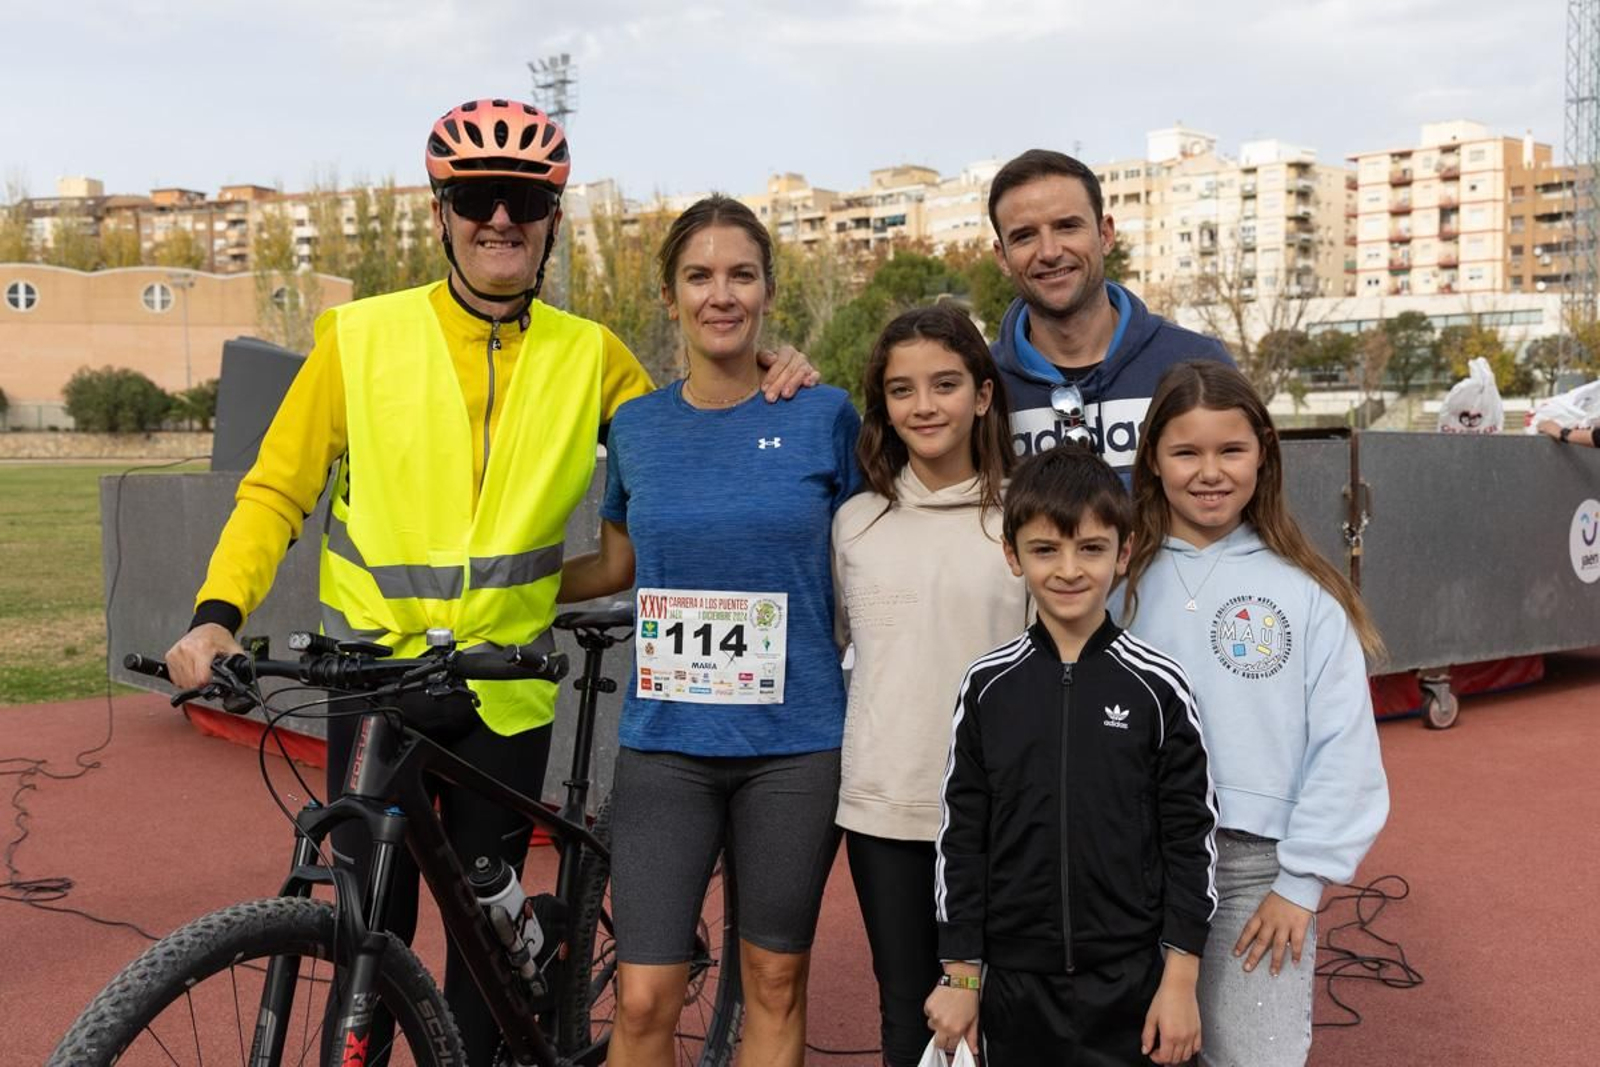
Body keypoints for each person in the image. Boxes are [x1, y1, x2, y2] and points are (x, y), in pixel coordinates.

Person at [163, 100, 813, 1065]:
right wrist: (216, 615)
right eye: (476, 198)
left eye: (523, 199)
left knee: (484, 951)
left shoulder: (592, 355)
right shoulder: (356, 337)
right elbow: (276, 491)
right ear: (442, 213)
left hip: (502, 693)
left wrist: (769, 369)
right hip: (373, 682)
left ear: (551, 219)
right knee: (367, 930)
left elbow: (689, 432)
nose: (500, 217)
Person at [557, 194, 860, 1067]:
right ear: (669, 295)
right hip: (667, 747)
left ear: (768, 291)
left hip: (795, 747)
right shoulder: (637, 427)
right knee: (643, 997)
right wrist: (501, 585)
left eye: (741, 275)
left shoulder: (824, 415)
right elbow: (615, 564)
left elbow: (879, 549)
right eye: (699, 276)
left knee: (774, 980)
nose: (720, 294)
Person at [1121, 360, 1390, 1066]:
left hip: (1255, 873)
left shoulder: (1305, 592)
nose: (1210, 472)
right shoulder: (1115, 581)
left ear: (1263, 454)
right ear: (1153, 459)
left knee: (1253, 1055)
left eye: (1231, 450)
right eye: (1186, 452)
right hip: (1128, 862)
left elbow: (1345, 748)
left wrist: (1300, 885)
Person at [927, 446, 1218, 1066]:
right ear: (1012, 555)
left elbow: (1190, 838)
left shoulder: (1159, 687)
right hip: (1016, 985)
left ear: (1124, 552)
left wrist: (1180, 979)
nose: (1068, 570)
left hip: (1133, 980)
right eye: (1044, 549)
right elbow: (962, 838)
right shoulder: (987, 687)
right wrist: (961, 975)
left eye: (1090, 548)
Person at [830, 303, 1028, 1067]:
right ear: (882, 405)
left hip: (1007, 814)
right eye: (901, 389)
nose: (924, 405)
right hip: (887, 808)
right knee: (908, 1012)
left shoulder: (1025, 516)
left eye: (945, 384)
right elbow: (844, 644)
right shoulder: (855, 523)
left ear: (983, 395)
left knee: (1010, 1009)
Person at [986, 149, 1233, 476]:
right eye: (1024, 236)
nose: (1049, 252)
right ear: (1002, 257)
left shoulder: (1198, 361)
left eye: (1067, 226)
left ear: (1105, 235)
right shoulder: (980, 385)